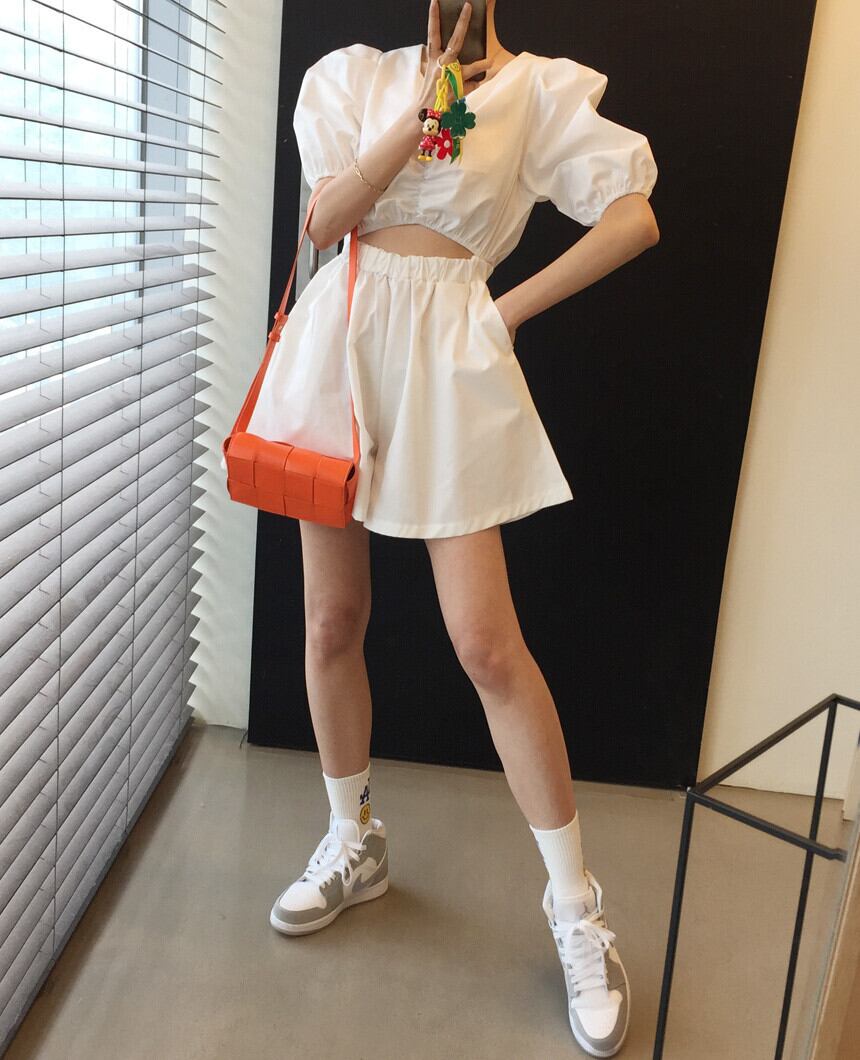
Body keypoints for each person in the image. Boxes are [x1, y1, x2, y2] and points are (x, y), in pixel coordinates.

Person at [258, 2, 658, 1055]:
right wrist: (420, 111)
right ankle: (352, 841)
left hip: (447, 361)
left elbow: (632, 217)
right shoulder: (353, 76)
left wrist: (503, 312)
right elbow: (323, 222)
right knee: (330, 622)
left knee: (486, 645)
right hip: (336, 352)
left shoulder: (538, 92)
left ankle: (576, 909)